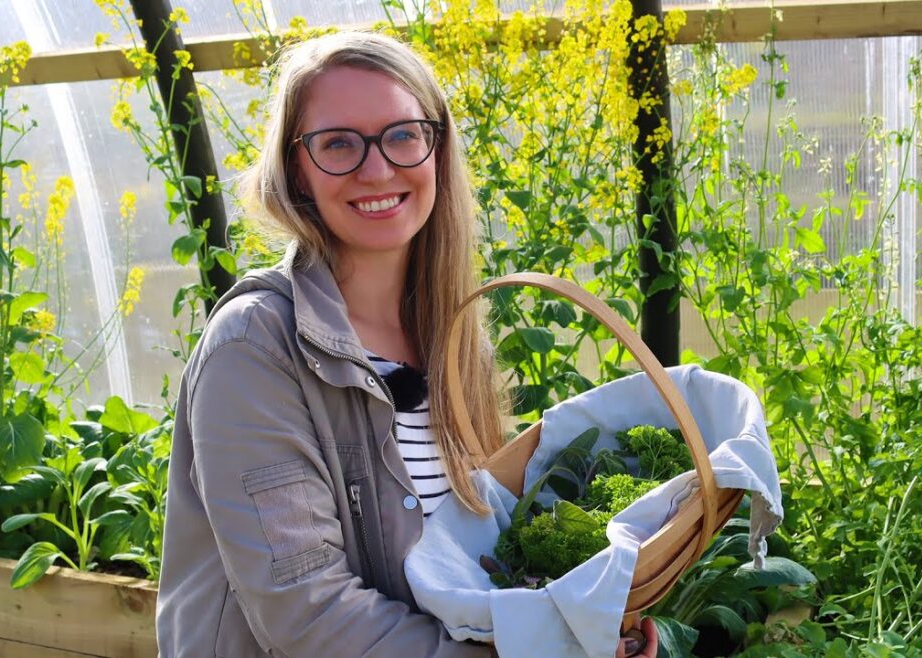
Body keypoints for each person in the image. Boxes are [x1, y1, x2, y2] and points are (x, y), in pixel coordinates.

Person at [154, 31, 658, 658]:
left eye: (402, 135)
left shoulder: (452, 338)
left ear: (436, 150)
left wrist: (579, 631)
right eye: (338, 143)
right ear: (295, 169)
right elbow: (307, 614)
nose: (376, 168)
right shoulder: (255, 349)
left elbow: (483, 560)